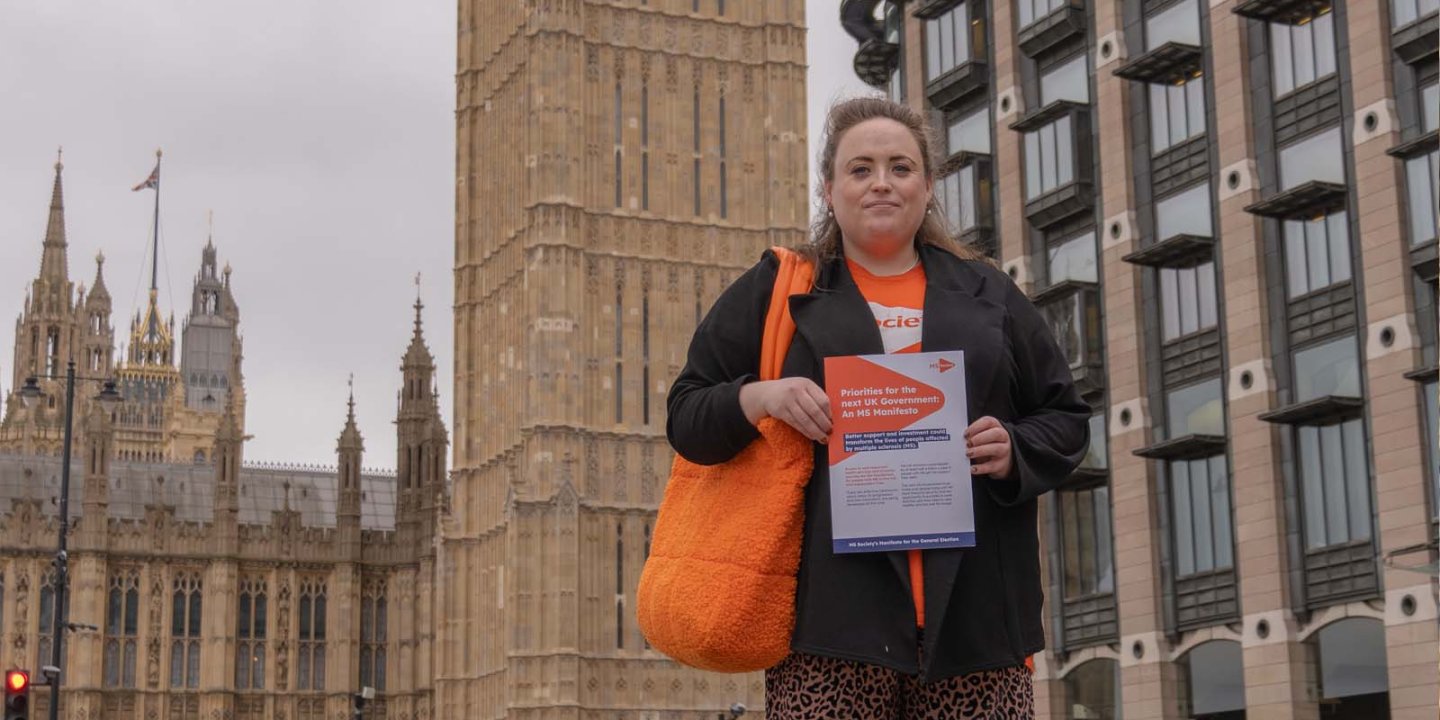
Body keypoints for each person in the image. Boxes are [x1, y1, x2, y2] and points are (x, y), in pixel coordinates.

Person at [665, 96, 1091, 718]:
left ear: (927, 185)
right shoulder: (782, 287)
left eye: (901, 167)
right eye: (861, 169)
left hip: (976, 628)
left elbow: (1065, 418)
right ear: (829, 189)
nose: (881, 183)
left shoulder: (989, 292)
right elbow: (687, 417)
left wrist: (1013, 449)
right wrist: (764, 396)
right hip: (829, 629)